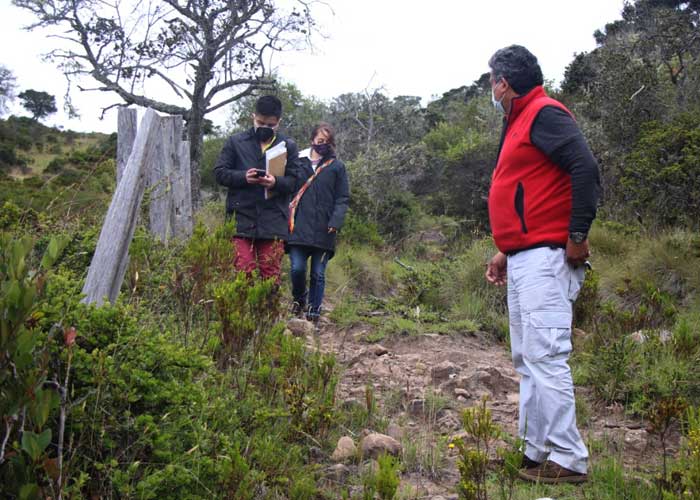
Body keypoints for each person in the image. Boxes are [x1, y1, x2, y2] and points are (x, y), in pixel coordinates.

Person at [484, 45, 599, 484]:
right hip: (525, 256)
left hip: (548, 258)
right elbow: (529, 190)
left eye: (491, 79)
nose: (490, 87)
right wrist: (506, 249)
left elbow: (585, 168)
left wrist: (577, 235)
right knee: (527, 358)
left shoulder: (544, 113)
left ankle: (570, 459)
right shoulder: (517, 120)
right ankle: (534, 453)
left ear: (503, 82)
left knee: (546, 356)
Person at [214, 95, 300, 283]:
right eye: (260, 122)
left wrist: (275, 182)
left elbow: (294, 182)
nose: (264, 128)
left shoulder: (289, 146)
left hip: (274, 221)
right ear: (253, 116)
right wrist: (243, 177)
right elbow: (219, 172)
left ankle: (269, 312)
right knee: (244, 271)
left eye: (270, 125)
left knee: (270, 275)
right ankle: (244, 312)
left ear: (279, 122)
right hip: (240, 218)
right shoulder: (235, 142)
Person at [287, 123, 349, 323]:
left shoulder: (337, 167)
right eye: (320, 141)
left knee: (318, 273)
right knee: (297, 268)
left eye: (328, 142)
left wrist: (336, 221)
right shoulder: (297, 163)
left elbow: (342, 197)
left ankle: (314, 310)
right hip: (298, 228)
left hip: (324, 229)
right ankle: (299, 300)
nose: (324, 145)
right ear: (312, 140)